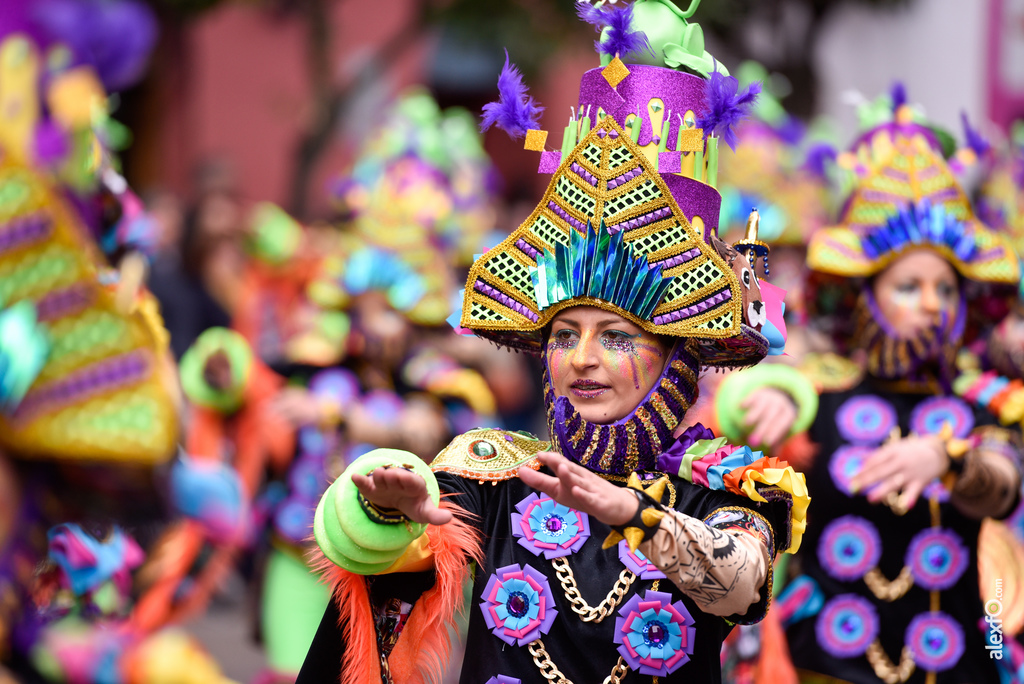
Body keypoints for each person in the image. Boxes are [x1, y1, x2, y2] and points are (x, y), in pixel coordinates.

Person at [297, 3, 810, 682]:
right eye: (565, 333)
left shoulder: (729, 485)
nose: (582, 359)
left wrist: (634, 512)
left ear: (679, 356)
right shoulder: (497, 477)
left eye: (617, 336)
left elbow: (742, 586)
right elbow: (392, 560)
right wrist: (396, 514)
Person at [729, 88, 1023, 684]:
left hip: (964, 656)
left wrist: (947, 458)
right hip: (824, 662)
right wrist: (766, 402)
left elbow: (1005, 487)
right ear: (865, 296)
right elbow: (749, 410)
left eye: (946, 289)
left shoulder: (980, 397)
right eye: (909, 287)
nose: (932, 306)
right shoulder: (816, 391)